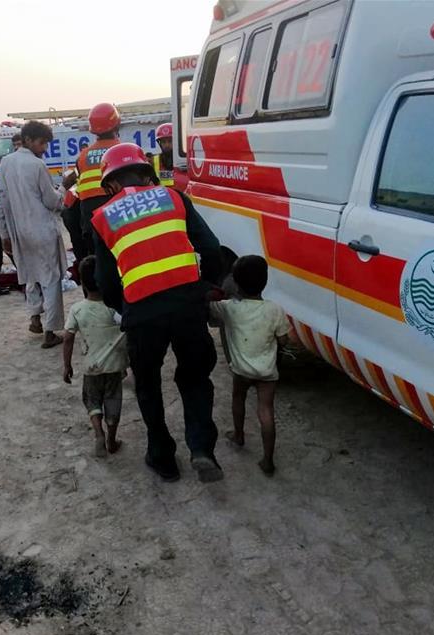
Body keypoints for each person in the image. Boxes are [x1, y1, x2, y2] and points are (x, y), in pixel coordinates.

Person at [91, 143, 224, 483]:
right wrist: (207, 286)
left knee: (148, 383)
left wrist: (124, 308)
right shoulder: (175, 198)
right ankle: (201, 448)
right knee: (195, 376)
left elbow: (106, 282)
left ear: (110, 184)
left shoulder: (103, 216)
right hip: (187, 304)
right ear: (146, 173)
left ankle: (162, 457)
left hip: (142, 312)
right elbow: (211, 249)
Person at [209, 255, 294, 477]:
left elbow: (208, 305)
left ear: (236, 284)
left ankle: (238, 435)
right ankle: (268, 460)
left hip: (241, 371)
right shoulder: (275, 310)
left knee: (238, 399)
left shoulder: (229, 308)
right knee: (266, 411)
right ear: (265, 282)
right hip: (267, 373)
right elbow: (284, 340)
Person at [0, 121, 76, 348]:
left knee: (31, 274)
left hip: (19, 232)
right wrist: (65, 186)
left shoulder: (6, 163)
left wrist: (4, 234)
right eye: (42, 143)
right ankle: (50, 332)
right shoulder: (37, 165)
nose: (44, 149)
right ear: (28, 140)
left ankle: (34, 318)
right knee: (50, 279)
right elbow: (52, 202)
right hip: (42, 230)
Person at [63, 255, 128, 458]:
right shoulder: (114, 308)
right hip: (115, 365)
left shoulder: (77, 310)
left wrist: (67, 365)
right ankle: (111, 440)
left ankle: (98, 433)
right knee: (113, 401)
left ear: (82, 283)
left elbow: (68, 338)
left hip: (91, 367)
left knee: (92, 401)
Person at [75, 103, 122, 255]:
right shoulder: (122, 150)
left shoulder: (83, 156)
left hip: (91, 220)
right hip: (118, 217)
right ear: (117, 123)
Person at [150, 123, 175, 187]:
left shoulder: (183, 160)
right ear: (160, 143)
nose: (167, 145)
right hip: (163, 193)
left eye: (170, 141)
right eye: (164, 142)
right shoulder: (153, 161)